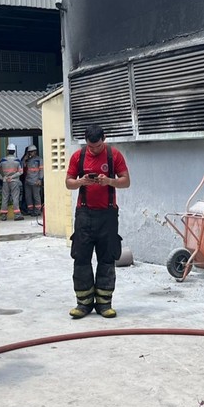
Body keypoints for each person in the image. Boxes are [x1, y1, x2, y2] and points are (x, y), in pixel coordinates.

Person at [65, 125, 130, 319]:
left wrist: (109, 181)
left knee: (107, 258)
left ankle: (104, 304)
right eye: (91, 146)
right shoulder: (78, 156)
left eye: (98, 145)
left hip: (107, 216)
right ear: (86, 141)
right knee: (81, 258)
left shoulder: (114, 155)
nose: (94, 150)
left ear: (104, 139)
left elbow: (126, 181)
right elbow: (68, 182)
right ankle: (83, 303)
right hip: (84, 215)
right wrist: (81, 182)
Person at [0, 143, 23, 221]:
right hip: (14, 181)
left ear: (7, 151)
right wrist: (12, 176)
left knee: (5, 197)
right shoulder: (17, 160)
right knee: (15, 197)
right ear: (14, 151)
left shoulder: (3, 160)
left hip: (5, 181)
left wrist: (2, 177)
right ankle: (17, 215)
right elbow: (21, 172)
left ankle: (3, 215)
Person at [23, 144, 44, 216]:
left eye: (32, 152)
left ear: (35, 152)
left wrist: (40, 179)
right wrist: (25, 159)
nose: (30, 153)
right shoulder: (27, 160)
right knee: (28, 197)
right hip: (28, 181)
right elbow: (22, 166)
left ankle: (37, 211)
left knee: (36, 196)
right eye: (29, 152)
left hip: (35, 181)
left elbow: (41, 170)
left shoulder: (39, 160)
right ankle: (30, 210)